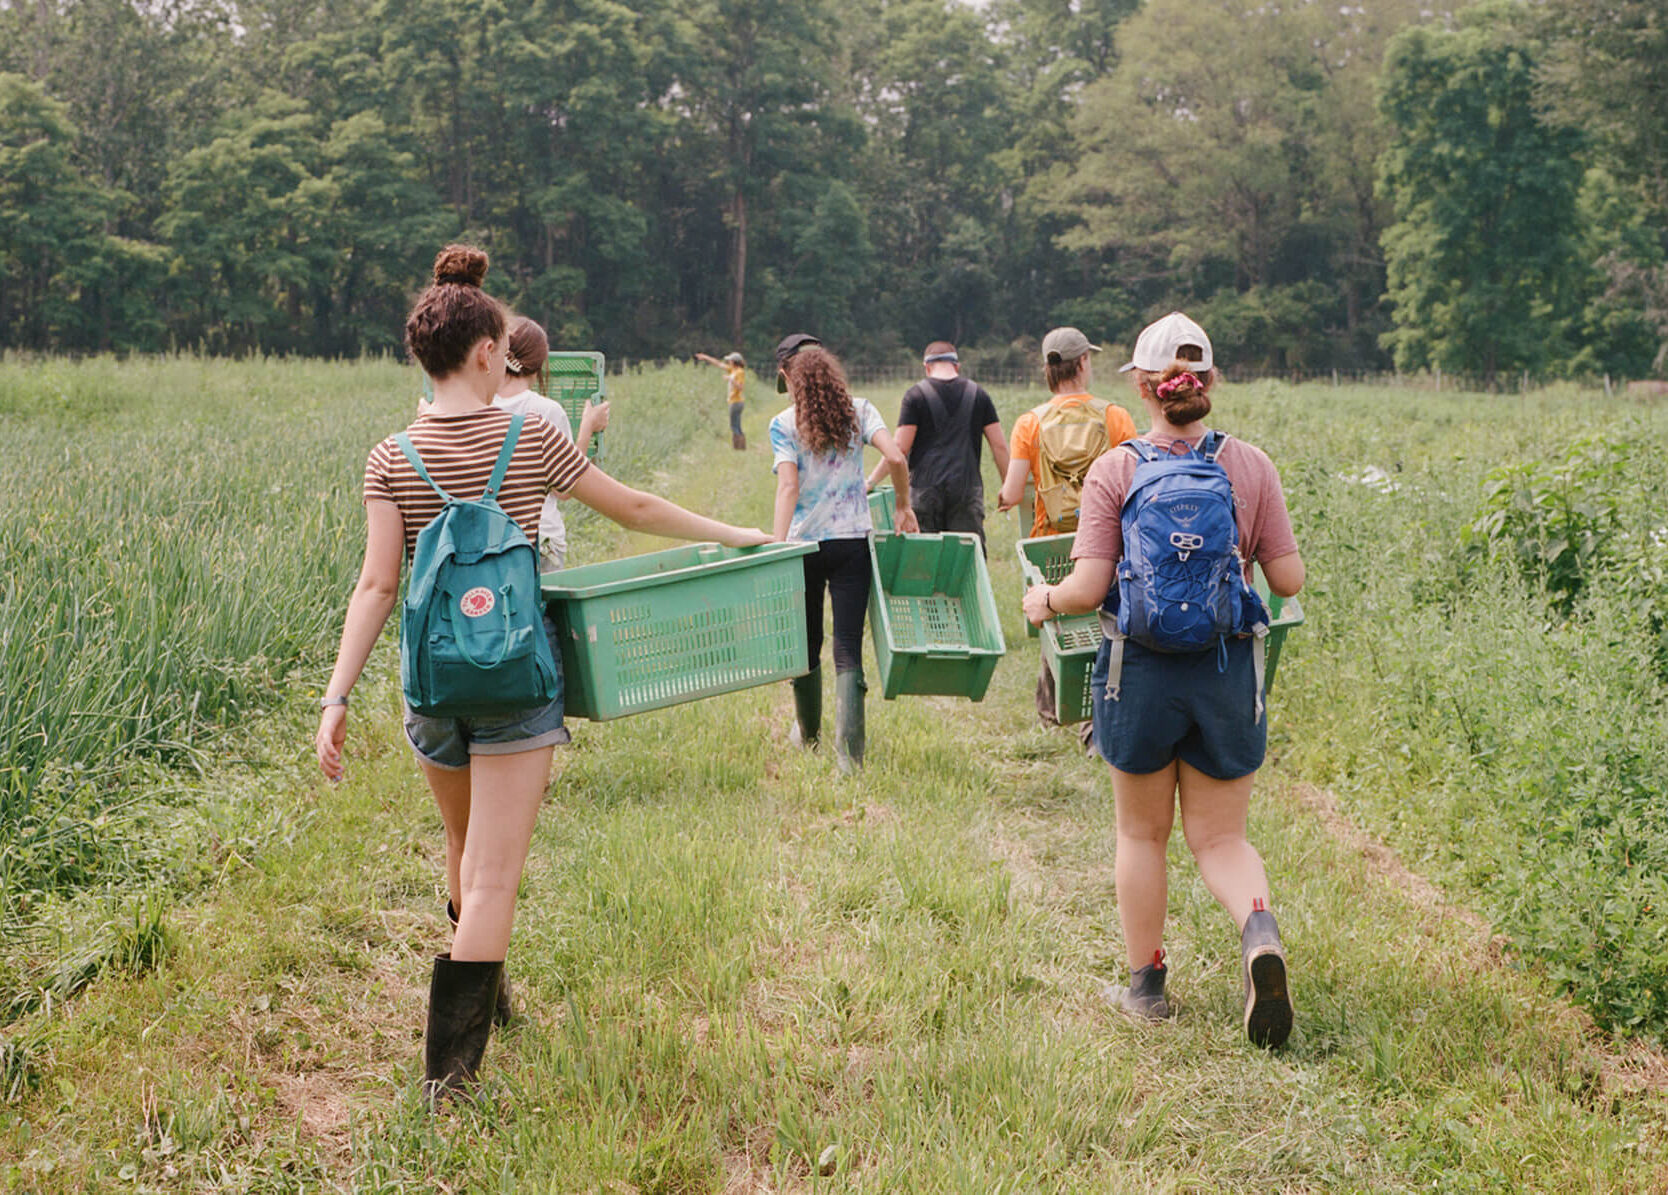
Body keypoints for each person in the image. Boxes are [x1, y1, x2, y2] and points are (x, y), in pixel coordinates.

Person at [314, 245, 770, 1104]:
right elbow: (630, 505)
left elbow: (376, 584)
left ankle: (483, 984)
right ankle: (449, 1080)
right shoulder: (531, 433)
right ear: (487, 350)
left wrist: (337, 695)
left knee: (462, 852)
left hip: (432, 684)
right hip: (518, 678)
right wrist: (737, 533)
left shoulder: (390, 455)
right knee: (494, 878)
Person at [1021, 311, 1304, 1048]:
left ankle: (1146, 986)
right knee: (1219, 838)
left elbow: (1085, 588)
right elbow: (1289, 577)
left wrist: (1041, 600)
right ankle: (1259, 929)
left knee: (1141, 833)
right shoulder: (1251, 466)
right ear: (1207, 383)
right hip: (1224, 670)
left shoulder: (1118, 469)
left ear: (1143, 388)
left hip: (1138, 673)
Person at [769, 332, 918, 774]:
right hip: (853, 541)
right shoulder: (861, 410)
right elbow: (896, 457)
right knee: (848, 647)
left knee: (807, 643)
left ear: (786, 376)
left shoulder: (783, 423)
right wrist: (904, 505)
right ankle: (849, 758)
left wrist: (778, 547)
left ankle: (809, 737)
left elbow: (788, 486)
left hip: (805, 545)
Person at [998, 328, 1138, 733]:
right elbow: (1133, 480)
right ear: (1082, 364)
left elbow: (1011, 489)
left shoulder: (1030, 423)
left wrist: (1007, 499)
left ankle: (1051, 711)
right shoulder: (1115, 416)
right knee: (1106, 620)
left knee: (1053, 611)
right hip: (1108, 540)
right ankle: (1098, 716)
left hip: (1052, 540)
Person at [494, 315, 610, 573]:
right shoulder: (546, 410)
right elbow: (564, 490)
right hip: (539, 538)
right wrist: (587, 427)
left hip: (488, 541)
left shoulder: (476, 405)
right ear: (540, 363)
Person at [865, 341, 1008, 549]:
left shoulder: (915, 396)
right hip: (966, 492)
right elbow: (999, 446)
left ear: (926, 366)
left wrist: (871, 481)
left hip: (924, 493)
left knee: (925, 562)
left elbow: (900, 449)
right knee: (967, 560)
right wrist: (1009, 486)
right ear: (956, 366)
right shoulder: (979, 395)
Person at [695, 350, 748, 449]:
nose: (728, 362)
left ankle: (738, 447)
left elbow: (740, 387)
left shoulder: (739, 372)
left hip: (736, 401)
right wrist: (706, 357)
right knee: (736, 425)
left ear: (734, 362)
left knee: (734, 425)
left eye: (730, 361)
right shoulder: (733, 370)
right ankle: (741, 447)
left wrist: (730, 379)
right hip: (735, 401)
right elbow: (718, 364)